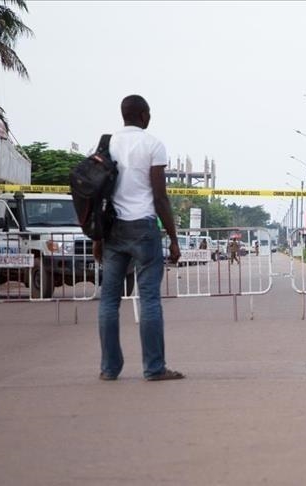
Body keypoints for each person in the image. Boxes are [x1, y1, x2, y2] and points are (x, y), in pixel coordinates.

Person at [94, 94, 183, 382]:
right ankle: (154, 368)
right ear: (143, 115)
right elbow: (159, 196)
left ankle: (109, 369)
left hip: (112, 229)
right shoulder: (153, 145)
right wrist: (172, 237)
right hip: (144, 227)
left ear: (123, 115)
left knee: (108, 300)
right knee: (149, 300)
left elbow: (97, 196)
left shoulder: (106, 144)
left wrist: (97, 237)